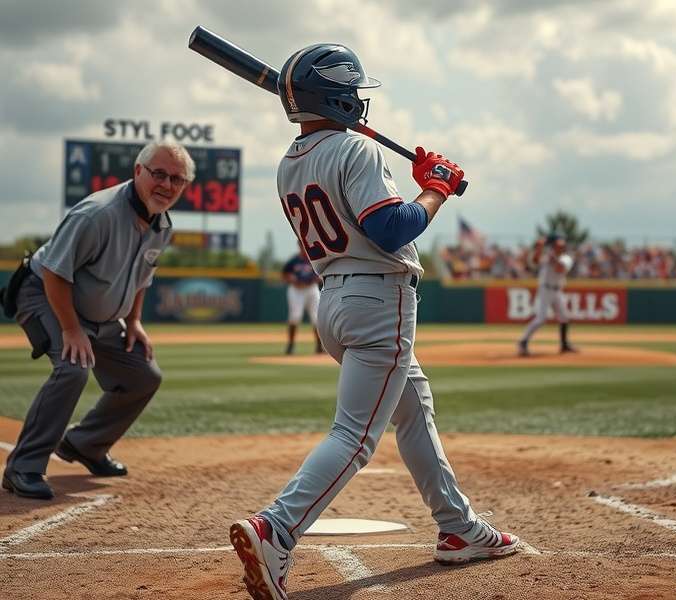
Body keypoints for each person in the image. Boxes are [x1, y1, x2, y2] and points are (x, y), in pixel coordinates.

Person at [229, 44, 519, 600]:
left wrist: (421, 181)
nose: (361, 101)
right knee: (355, 436)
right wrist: (434, 189)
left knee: (414, 409)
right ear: (336, 93)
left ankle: (459, 529)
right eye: (353, 90)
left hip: (335, 302)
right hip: (377, 301)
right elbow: (393, 229)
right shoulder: (354, 150)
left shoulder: (290, 160)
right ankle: (277, 529)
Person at [1, 142, 195, 500]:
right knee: (72, 367)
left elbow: (142, 278)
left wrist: (134, 321)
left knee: (143, 376)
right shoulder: (98, 214)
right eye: (159, 174)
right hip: (44, 294)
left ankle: (84, 445)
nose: (167, 184)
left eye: (177, 179)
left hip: (100, 316)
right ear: (138, 171)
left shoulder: (161, 224)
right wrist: (72, 330)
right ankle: (23, 467)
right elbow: (55, 274)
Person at [518, 234, 578, 356]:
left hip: (557, 291)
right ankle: (523, 342)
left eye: (562, 245)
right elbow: (534, 262)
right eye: (558, 245)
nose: (560, 247)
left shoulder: (567, 257)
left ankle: (564, 345)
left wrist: (552, 258)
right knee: (541, 319)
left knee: (565, 317)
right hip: (545, 290)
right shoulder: (546, 256)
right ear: (553, 246)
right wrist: (539, 248)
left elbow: (560, 269)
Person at [281, 241, 323, 355]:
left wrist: (316, 278)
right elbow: (284, 275)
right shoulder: (294, 261)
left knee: (317, 318)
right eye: (301, 245)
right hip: (297, 290)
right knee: (295, 317)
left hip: (311, 289)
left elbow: (321, 275)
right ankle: (290, 345)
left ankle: (319, 346)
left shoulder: (314, 259)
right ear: (299, 246)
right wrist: (291, 278)